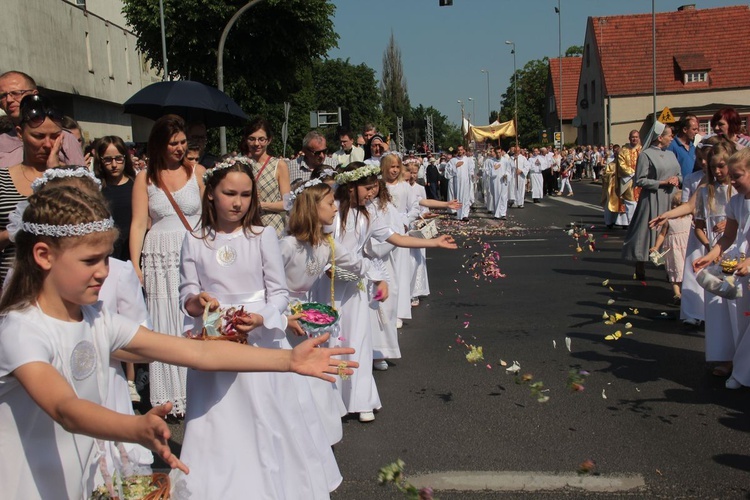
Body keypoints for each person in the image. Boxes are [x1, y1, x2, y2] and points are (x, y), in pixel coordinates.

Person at [0, 184, 356, 500]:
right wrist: (134, 427)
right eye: (91, 260)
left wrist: (288, 362)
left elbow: (198, 352)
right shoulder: (21, 328)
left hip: (79, 479)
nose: (105, 272)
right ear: (43, 255)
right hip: (26, 485)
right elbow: (65, 409)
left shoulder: (97, 319)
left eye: (107, 258)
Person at [174, 158, 341, 499]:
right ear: (211, 195)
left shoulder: (262, 235)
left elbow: (278, 293)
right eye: (229, 193)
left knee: (266, 416)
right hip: (216, 336)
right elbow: (186, 295)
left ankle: (272, 484)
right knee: (217, 417)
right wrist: (198, 302)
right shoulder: (194, 239)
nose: (237, 202)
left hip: (260, 338)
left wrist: (262, 318)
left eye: (246, 195)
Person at [320, 162, 457, 422]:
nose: (372, 193)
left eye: (374, 188)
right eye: (367, 188)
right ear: (351, 187)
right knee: (330, 339)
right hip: (328, 284)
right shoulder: (332, 212)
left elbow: (396, 238)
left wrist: (433, 242)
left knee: (357, 341)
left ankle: (361, 400)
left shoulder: (369, 214)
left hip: (355, 286)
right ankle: (331, 400)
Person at [281, 179, 374, 444]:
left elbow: (355, 263)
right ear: (312, 207)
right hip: (285, 317)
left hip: (307, 318)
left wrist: (378, 277)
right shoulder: (288, 246)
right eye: (330, 203)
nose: (336, 208)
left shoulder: (326, 244)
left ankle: (318, 434)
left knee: (315, 377)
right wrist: (283, 315)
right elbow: (267, 284)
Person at [129, 114, 205, 416]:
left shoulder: (197, 172)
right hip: (159, 254)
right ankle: (170, 396)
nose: (179, 148)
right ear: (159, 144)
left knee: (194, 315)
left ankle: (199, 385)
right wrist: (135, 265)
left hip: (192, 251)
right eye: (173, 143)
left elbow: (210, 217)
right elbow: (137, 224)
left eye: (183, 142)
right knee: (165, 321)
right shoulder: (144, 178)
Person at [694, 148, 750, 389]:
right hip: (742, 266)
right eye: (733, 175)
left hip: (748, 264)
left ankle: (741, 372)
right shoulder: (736, 202)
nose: (733, 181)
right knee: (743, 321)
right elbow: (728, 237)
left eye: (738, 176)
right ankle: (742, 371)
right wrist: (711, 255)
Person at [0, 94, 65, 285]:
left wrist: (55, 175)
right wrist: (11, 233)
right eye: (38, 136)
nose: (47, 144)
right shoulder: (3, 179)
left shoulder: (72, 178)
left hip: (58, 283)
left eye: (54, 136)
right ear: (20, 133)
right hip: (10, 285)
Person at [693, 141, 735, 376]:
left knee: (737, 309)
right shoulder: (704, 192)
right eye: (713, 168)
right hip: (715, 257)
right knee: (718, 310)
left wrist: (730, 225)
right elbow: (699, 227)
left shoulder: (738, 191)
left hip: (736, 255)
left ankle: (741, 357)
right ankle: (726, 357)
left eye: (721, 167)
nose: (717, 172)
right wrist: (710, 247)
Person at [622, 123, 681, 280]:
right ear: (660, 138)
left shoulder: (671, 154)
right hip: (653, 198)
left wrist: (677, 179)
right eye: (669, 135)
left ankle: (672, 269)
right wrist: (662, 182)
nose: (672, 138)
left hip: (671, 198)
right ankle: (640, 263)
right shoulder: (646, 154)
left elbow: (679, 174)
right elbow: (640, 180)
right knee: (648, 233)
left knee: (671, 232)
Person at [0, 71, 85, 169]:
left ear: (34, 94)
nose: (9, 100)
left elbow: (83, 182)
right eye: (3, 96)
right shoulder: (2, 140)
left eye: (16, 93)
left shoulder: (65, 138)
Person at [239, 117, 291, 236]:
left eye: (261, 139)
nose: (257, 144)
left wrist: (261, 205)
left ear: (269, 140)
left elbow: (287, 204)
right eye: (252, 139)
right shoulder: (241, 164)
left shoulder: (279, 165)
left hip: (272, 226)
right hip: (248, 224)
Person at [93, 136, 136, 262]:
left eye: (118, 159)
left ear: (125, 158)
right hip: (109, 252)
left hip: (134, 249)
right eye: (107, 159)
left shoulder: (136, 184)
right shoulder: (96, 188)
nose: (113, 165)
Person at [650, 190, 691, 302]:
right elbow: (662, 235)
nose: (674, 206)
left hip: (686, 248)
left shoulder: (690, 218)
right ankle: (677, 294)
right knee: (676, 269)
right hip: (673, 250)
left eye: (677, 205)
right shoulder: (669, 220)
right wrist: (656, 247)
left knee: (687, 270)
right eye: (673, 204)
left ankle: (687, 292)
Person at [444, 145, 474, 220]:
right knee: (458, 198)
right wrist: (455, 166)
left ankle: (465, 215)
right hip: (457, 183)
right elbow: (447, 174)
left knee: (466, 198)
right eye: (458, 150)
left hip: (466, 182)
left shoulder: (467, 160)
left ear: (463, 150)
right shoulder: (453, 161)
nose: (460, 151)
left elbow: (471, 171)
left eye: (461, 150)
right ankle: (459, 214)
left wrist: (472, 178)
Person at [667, 114, 699, 180]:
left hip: (693, 185)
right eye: (694, 129)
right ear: (685, 130)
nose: (697, 132)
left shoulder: (693, 146)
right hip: (680, 187)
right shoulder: (672, 146)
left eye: (697, 129)